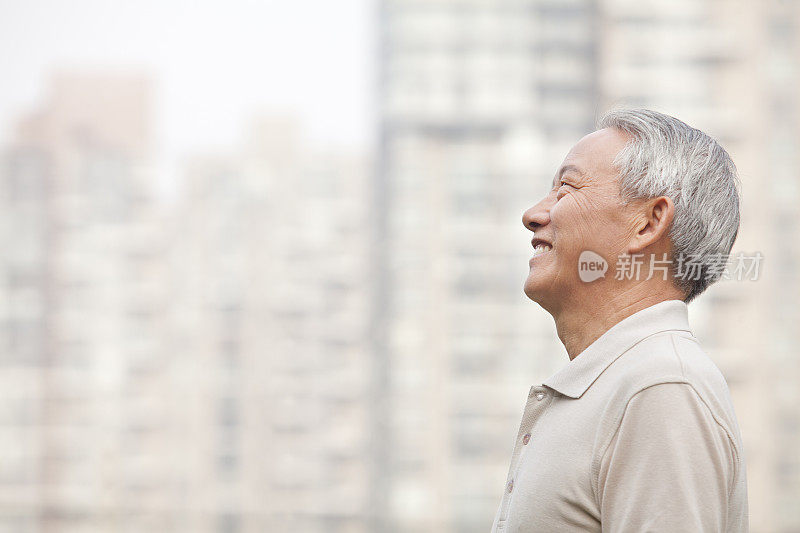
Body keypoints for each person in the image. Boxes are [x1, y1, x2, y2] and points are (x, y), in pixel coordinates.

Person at [491, 109, 748, 532]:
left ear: (648, 222)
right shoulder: (619, 384)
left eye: (566, 188)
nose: (533, 214)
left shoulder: (660, 386)